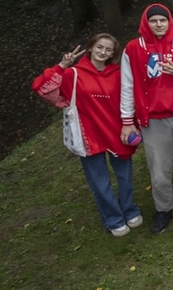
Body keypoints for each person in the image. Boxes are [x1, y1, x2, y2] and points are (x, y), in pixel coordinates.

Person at [32, 34, 141, 237]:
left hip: (117, 131)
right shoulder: (73, 74)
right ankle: (114, 218)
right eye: (100, 47)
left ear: (113, 53)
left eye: (108, 50)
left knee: (125, 176)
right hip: (89, 135)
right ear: (90, 48)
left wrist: (132, 126)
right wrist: (61, 66)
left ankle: (129, 210)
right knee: (100, 180)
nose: (103, 52)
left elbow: (129, 98)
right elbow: (42, 88)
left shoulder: (117, 73)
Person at [120, 4, 173, 234]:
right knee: (158, 169)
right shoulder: (132, 49)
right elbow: (127, 86)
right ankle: (164, 208)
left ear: (170, 22)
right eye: (154, 21)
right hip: (154, 120)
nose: (159, 24)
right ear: (146, 23)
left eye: (163, 20)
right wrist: (127, 121)